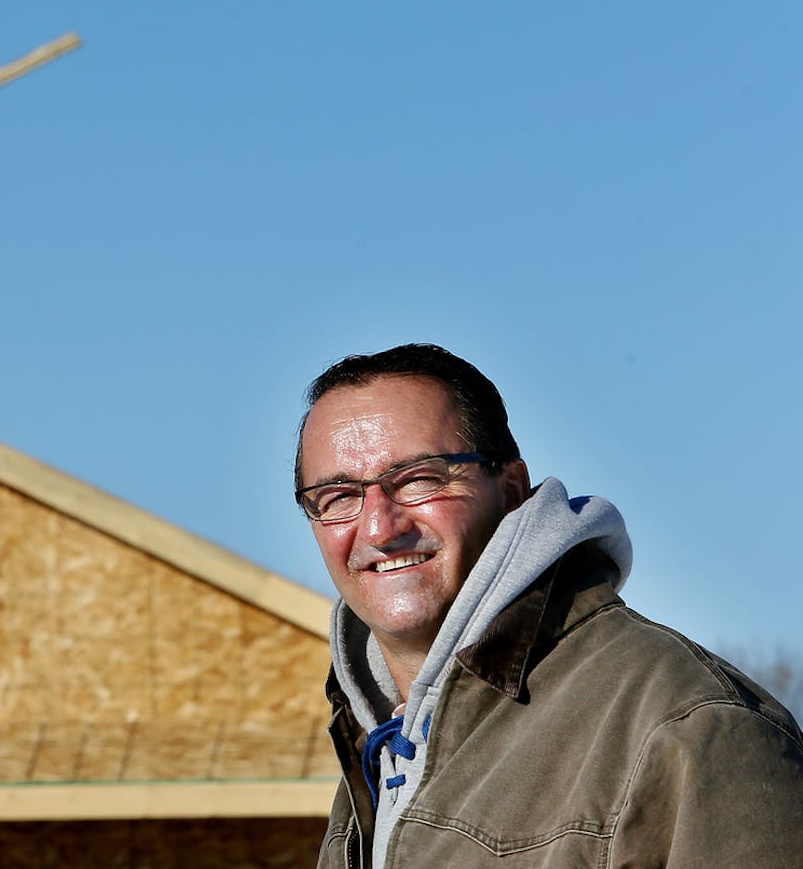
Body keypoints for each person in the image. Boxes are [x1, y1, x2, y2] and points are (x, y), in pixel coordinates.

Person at [292, 343, 803, 868]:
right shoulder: (374, 753)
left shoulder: (689, 727)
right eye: (337, 497)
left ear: (511, 490)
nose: (379, 527)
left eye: (421, 479)